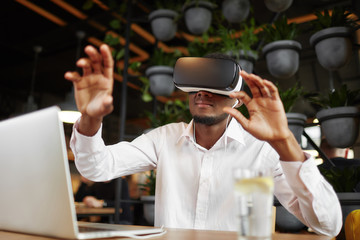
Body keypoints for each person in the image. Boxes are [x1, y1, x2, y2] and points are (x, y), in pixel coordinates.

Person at [64, 44, 342, 237]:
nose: (202, 93)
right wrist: (90, 118)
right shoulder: (164, 139)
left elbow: (328, 225)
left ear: (236, 95)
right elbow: (96, 168)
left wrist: (284, 141)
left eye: (213, 86)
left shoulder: (262, 151)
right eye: (195, 86)